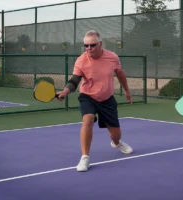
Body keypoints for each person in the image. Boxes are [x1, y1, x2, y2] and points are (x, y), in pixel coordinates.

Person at [56, 30, 133, 172]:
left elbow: (120, 74)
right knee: (88, 119)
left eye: (92, 45)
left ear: (100, 44)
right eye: (86, 45)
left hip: (107, 99)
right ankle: (85, 157)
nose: (88, 48)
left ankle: (117, 143)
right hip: (88, 97)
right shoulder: (81, 60)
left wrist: (127, 91)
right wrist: (65, 92)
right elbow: (74, 81)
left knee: (115, 134)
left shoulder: (112, 57)